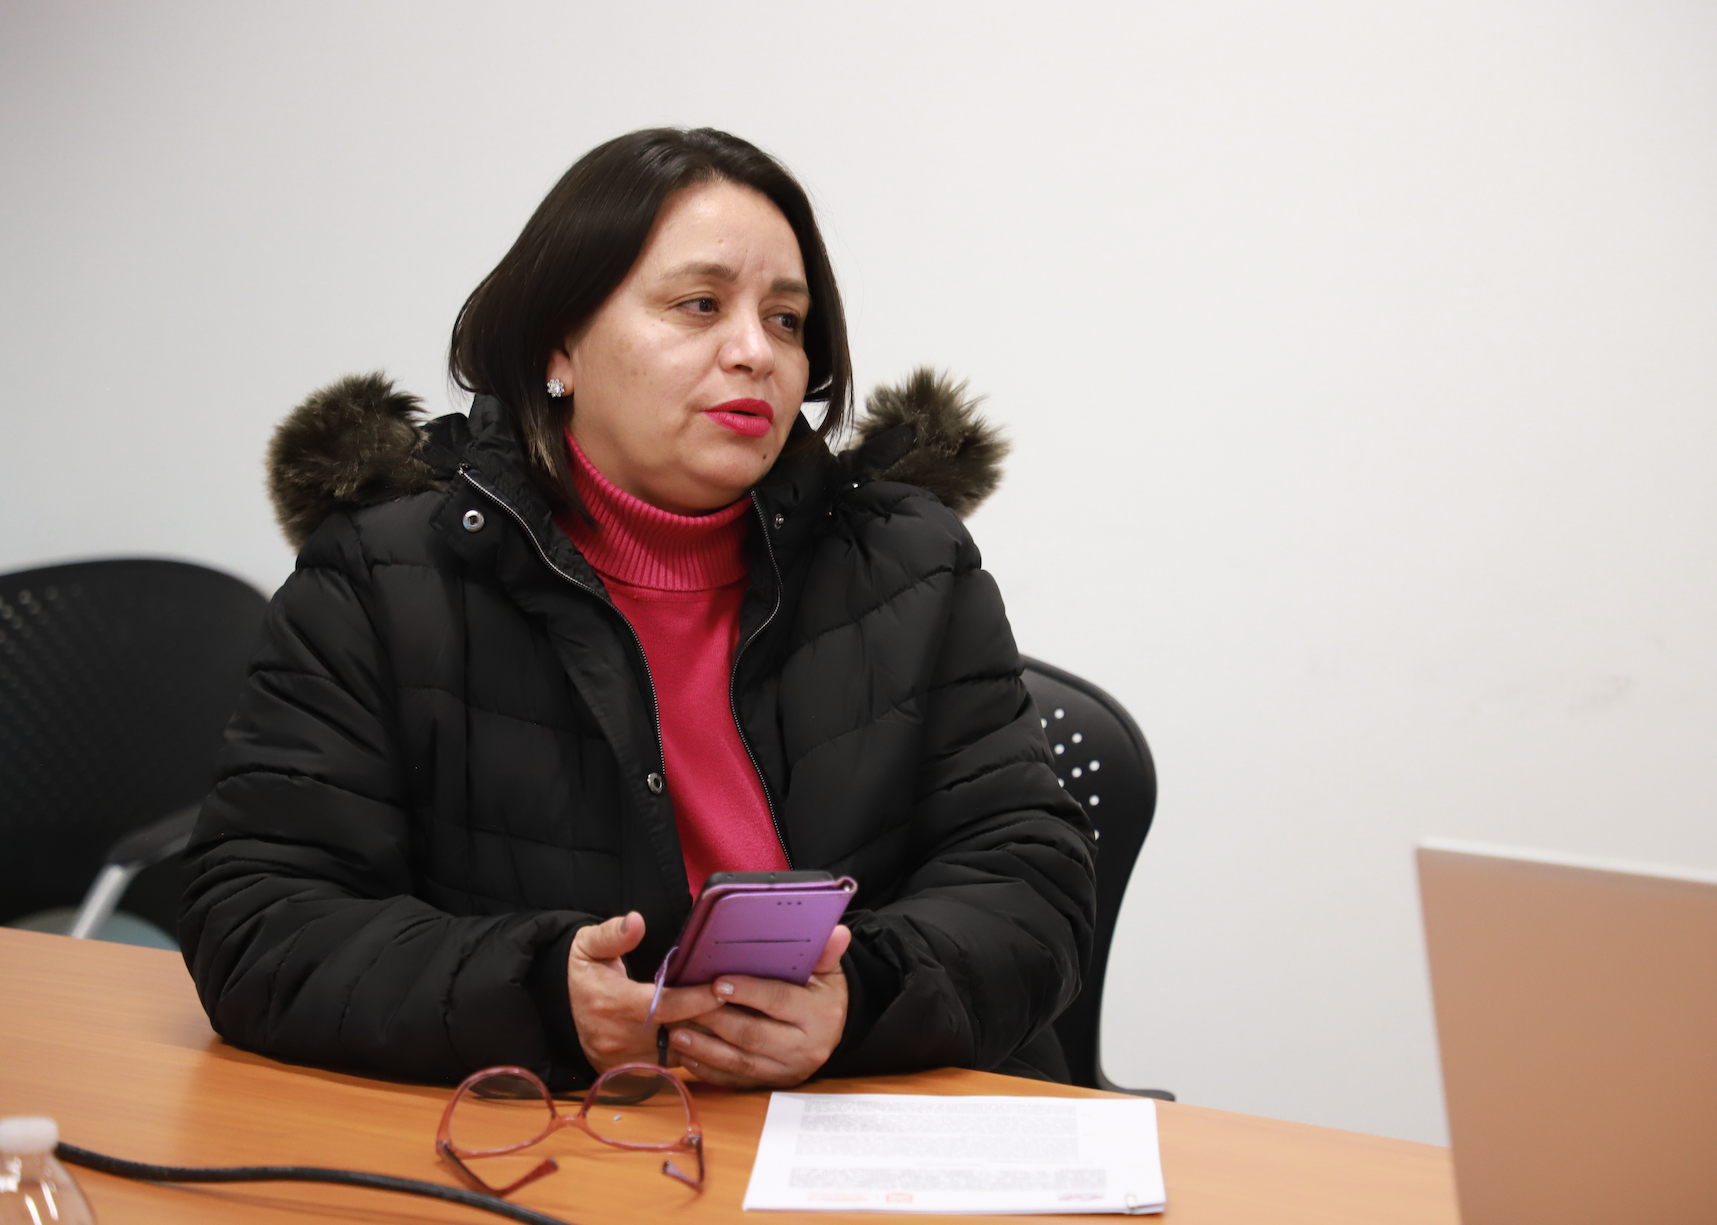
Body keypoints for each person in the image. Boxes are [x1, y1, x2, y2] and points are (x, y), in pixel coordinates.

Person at [180, 127, 1096, 1091]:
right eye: (699, 305)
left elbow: (1030, 880)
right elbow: (258, 916)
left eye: (786, 320)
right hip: (558, 1127)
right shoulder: (384, 576)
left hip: (857, 1118)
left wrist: (857, 1000)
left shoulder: (909, 567)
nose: (756, 352)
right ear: (559, 345)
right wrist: (541, 999)